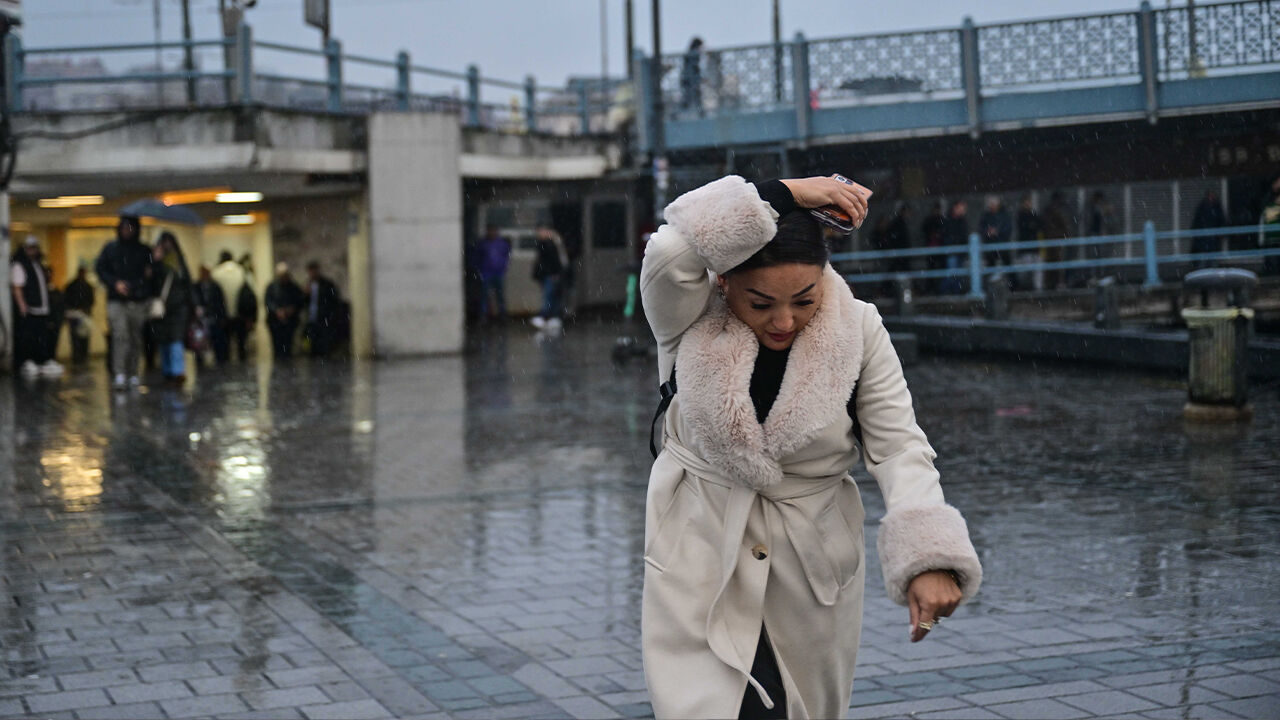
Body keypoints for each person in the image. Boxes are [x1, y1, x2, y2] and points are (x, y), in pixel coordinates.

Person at [639, 175, 981, 719]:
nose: (783, 321)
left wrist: (928, 558)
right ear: (723, 282)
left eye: (804, 300)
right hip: (699, 552)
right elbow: (671, 247)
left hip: (809, 563)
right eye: (760, 302)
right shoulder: (685, 312)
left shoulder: (860, 329)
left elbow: (898, 446)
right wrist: (785, 192)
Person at [95, 215, 152, 389]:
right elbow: (100, 269)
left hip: (137, 300)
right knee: (120, 336)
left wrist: (134, 285)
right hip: (116, 300)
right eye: (123, 227)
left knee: (135, 337)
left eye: (130, 228)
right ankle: (119, 372)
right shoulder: (110, 249)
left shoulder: (143, 251)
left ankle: (133, 372)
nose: (126, 231)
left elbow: (148, 276)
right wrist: (115, 283)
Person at [11, 236, 62, 378]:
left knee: (42, 336)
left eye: (34, 248)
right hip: (30, 308)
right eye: (29, 248)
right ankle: (28, 361)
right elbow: (17, 287)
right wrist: (22, 306)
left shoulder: (37, 264)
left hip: (41, 308)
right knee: (28, 337)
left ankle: (42, 361)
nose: (32, 251)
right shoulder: (20, 265)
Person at [150, 233, 195, 385]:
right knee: (164, 340)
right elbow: (151, 281)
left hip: (178, 307)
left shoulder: (179, 262)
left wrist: (193, 304)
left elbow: (187, 283)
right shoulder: (156, 262)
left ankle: (177, 371)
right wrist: (154, 262)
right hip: (161, 308)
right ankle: (168, 370)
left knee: (176, 338)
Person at [212, 251, 254, 362]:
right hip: (241, 314)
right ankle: (242, 367)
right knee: (241, 344)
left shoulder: (216, 273)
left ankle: (226, 370)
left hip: (223, 315)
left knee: (225, 346)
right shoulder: (242, 271)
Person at [531, 226, 569, 330]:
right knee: (550, 295)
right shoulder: (545, 244)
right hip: (549, 274)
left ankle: (550, 316)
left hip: (552, 274)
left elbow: (557, 260)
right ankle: (548, 316)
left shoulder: (553, 244)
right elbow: (551, 261)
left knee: (552, 295)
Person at [264, 262, 305, 358]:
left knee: (288, 345)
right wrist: (277, 311)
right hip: (275, 321)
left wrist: (292, 309)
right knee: (277, 345)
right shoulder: (272, 287)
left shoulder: (294, 287)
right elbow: (268, 301)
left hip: (290, 321)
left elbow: (299, 301)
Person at [304, 261, 341, 357]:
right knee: (312, 342)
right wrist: (305, 294)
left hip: (324, 317)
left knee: (324, 342)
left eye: (314, 271)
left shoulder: (327, 284)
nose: (312, 274)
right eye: (310, 271)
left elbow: (334, 300)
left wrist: (330, 315)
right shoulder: (308, 285)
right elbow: (304, 302)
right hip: (312, 317)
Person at [193, 266, 228, 366]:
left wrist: (221, 317)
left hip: (213, 318)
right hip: (201, 320)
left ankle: (219, 359)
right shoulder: (197, 286)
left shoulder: (215, 287)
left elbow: (221, 303)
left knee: (216, 341)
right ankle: (200, 362)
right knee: (199, 343)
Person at [475, 226, 512, 320]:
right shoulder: (484, 244)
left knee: (500, 295)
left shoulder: (501, 244)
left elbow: (507, 256)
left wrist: (504, 267)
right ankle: (484, 314)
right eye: (490, 231)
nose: (492, 233)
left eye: (494, 231)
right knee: (485, 294)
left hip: (498, 272)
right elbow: (478, 257)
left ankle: (502, 314)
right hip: (486, 273)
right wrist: (480, 270)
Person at [63, 264, 96, 365]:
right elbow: (67, 300)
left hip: (84, 314)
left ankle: (83, 356)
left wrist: (85, 309)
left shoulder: (88, 286)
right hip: (74, 314)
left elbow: (91, 301)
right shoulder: (72, 286)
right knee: (75, 338)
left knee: (84, 337)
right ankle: (77, 357)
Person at [1041, 192, 1072, 290]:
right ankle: (1054, 283)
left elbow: (1065, 227)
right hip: (1052, 241)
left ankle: (1057, 283)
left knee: (1057, 263)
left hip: (1056, 241)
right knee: (1053, 264)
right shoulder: (1051, 212)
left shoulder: (1056, 212)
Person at [940, 199, 969, 295]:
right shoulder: (948, 220)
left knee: (956, 274)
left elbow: (964, 235)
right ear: (955, 208)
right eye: (961, 208)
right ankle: (945, 292)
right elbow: (946, 235)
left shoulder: (962, 220)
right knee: (952, 274)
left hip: (959, 251)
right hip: (952, 251)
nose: (963, 210)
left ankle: (955, 293)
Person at [1191, 189, 1227, 267]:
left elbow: (1222, 222)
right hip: (1203, 241)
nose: (1211, 198)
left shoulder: (1217, 208)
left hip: (1213, 241)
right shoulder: (1202, 208)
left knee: (1213, 261)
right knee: (1202, 262)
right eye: (1209, 196)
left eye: (1212, 196)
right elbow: (1196, 223)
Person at [1015, 195, 1043, 291]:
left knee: (1037, 270)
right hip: (1025, 248)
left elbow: (1039, 226)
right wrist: (1030, 226)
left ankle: (1037, 288)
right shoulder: (1020, 215)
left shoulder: (1034, 214)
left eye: (1029, 202)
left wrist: (1031, 226)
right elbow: (1024, 228)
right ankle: (1025, 287)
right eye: (1026, 203)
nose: (1028, 204)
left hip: (1035, 247)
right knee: (1024, 270)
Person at [978, 195, 1012, 269]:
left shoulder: (1004, 215)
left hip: (1003, 246)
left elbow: (1008, 229)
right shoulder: (986, 216)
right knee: (990, 267)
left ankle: (1011, 280)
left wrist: (997, 232)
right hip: (990, 246)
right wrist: (988, 232)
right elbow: (981, 229)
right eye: (991, 204)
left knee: (1008, 267)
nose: (993, 206)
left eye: (994, 204)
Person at [920, 202, 946, 294]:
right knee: (932, 269)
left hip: (939, 249)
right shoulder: (930, 220)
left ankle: (937, 289)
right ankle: (932, 288)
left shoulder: (940, 220)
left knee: (938, 270)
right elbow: (924, 232)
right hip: (931, 248)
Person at [1261, 177, 1280, 276]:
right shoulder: (1269, 198)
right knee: (1271, 259)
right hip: (1271, 237)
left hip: (1275, 235)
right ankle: (1271, 274)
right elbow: (1265, 211)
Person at [681, 37, 704, 113]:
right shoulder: (694, 54)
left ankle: (699, 111)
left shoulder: (689, 54)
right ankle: (700, 112)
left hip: (688, 78)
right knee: (692, 97)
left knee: (689, 98)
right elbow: (694, 68)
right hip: (691, 79)